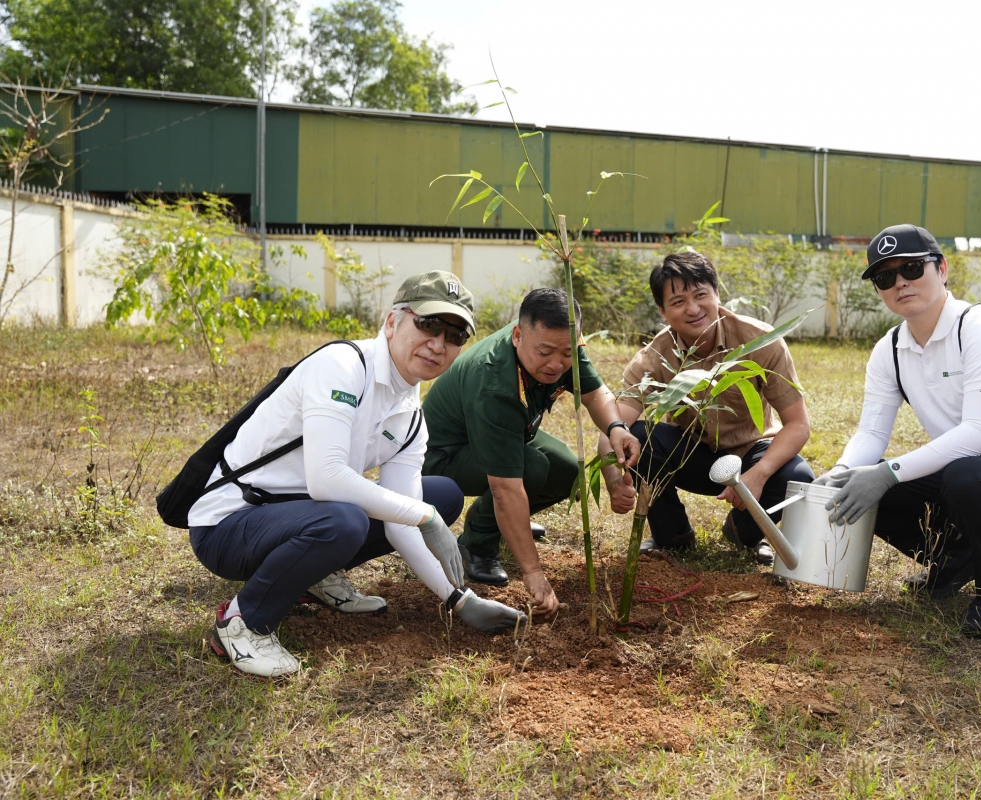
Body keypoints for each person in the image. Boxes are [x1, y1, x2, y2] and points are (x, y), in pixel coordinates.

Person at [188, 271, 527, 678]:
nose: (438, 344)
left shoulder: (410, 415)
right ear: (392, 322)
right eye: (428, 324)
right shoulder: (343, 367)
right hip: (228, 525)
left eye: (455, 335)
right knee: (351, 520)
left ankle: (313, 575)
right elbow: (326, 478)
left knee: (440, 495)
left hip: (296, 517)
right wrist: (425, 517)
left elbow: (400, 525)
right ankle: (244, 623)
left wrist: (459, 599)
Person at [815, 224, 981, 640]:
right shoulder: (889, 350)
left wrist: (886, 473)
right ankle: (956, 558)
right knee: (867, 484)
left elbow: (980, 433)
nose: (900, 282)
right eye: (885, 277)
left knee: (960, 474)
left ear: (942, 268)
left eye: (912, 268)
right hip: (965, 474)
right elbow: (872, 433)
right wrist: (842, 472)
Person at [421, 287, 641, 618]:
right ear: (517, 335)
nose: (556, 364)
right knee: (532, 468)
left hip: (503, 435)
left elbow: (595, 394)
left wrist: (616, 428)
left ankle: (508, 525)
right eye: (545, 352)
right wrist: (534, 574)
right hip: (444, 456)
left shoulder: (561, 341)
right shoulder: (493, 381)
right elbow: (505, 489)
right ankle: (477, 544)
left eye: (567, 353)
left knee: (568, 472)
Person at [599, 251, 814, 564]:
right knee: (639, 436)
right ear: (662, 312)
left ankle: (743, 532)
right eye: (678, 301)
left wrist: (759, 473)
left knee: (798, 476)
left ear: (717, 294)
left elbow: (798, 424)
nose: (693, 309)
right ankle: (673, 536)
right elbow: (613, 427)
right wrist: (613, 481)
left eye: (701, 295)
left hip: (751, 452)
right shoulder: (653, 357)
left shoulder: (760, 341)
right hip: (690, 453)